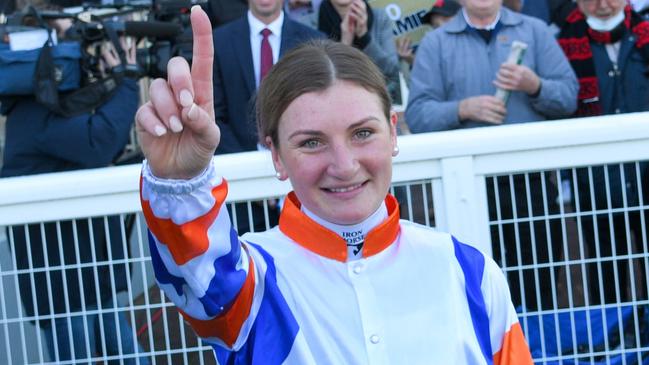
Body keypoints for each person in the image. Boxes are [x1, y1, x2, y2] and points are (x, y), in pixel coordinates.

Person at [136, 6, 534, 363]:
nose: (343, 166)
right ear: (276, 156)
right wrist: (180, 178)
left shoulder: (468, 272)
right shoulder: (252, 282)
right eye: (311, 142)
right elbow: (196, 266)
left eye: (362, 133)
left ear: (393, 133)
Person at [405, 0, 579, 311]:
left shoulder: (534, 31)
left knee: (540, 276)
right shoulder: (436, 42)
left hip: (532, 182)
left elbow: (568, 97)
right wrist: (462, 109)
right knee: (476, 282)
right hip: (465, 190)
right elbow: (417, 115)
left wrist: (535, 85)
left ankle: (537, 352)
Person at [1, 21, 148, 365]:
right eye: (70, 44)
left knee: (127, 352)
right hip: (63, 283)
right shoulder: (38, 114)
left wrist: (112, 80)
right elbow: (100, 140)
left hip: (84, 273)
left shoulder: (45, 108)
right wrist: (126, 80)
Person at [558, 0, 649, 304]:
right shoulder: (561, 43)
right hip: (595, 180)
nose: (603, 5)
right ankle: (613, 341)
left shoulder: (644, 33)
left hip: (645, 171)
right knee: (605, 267)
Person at [212, 0, 323, 154]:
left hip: (301, 157)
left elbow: (320, 109)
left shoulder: (313, 41)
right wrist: (243, 158)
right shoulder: (218, 41)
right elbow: (214, 113)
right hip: (237, 161)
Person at [302, 0, 400, 101]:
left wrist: (364, 38)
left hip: (374, 102)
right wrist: (345, 44)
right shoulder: (305, 24)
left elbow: (393, 74)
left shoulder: (380, 18)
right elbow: (311, 82)